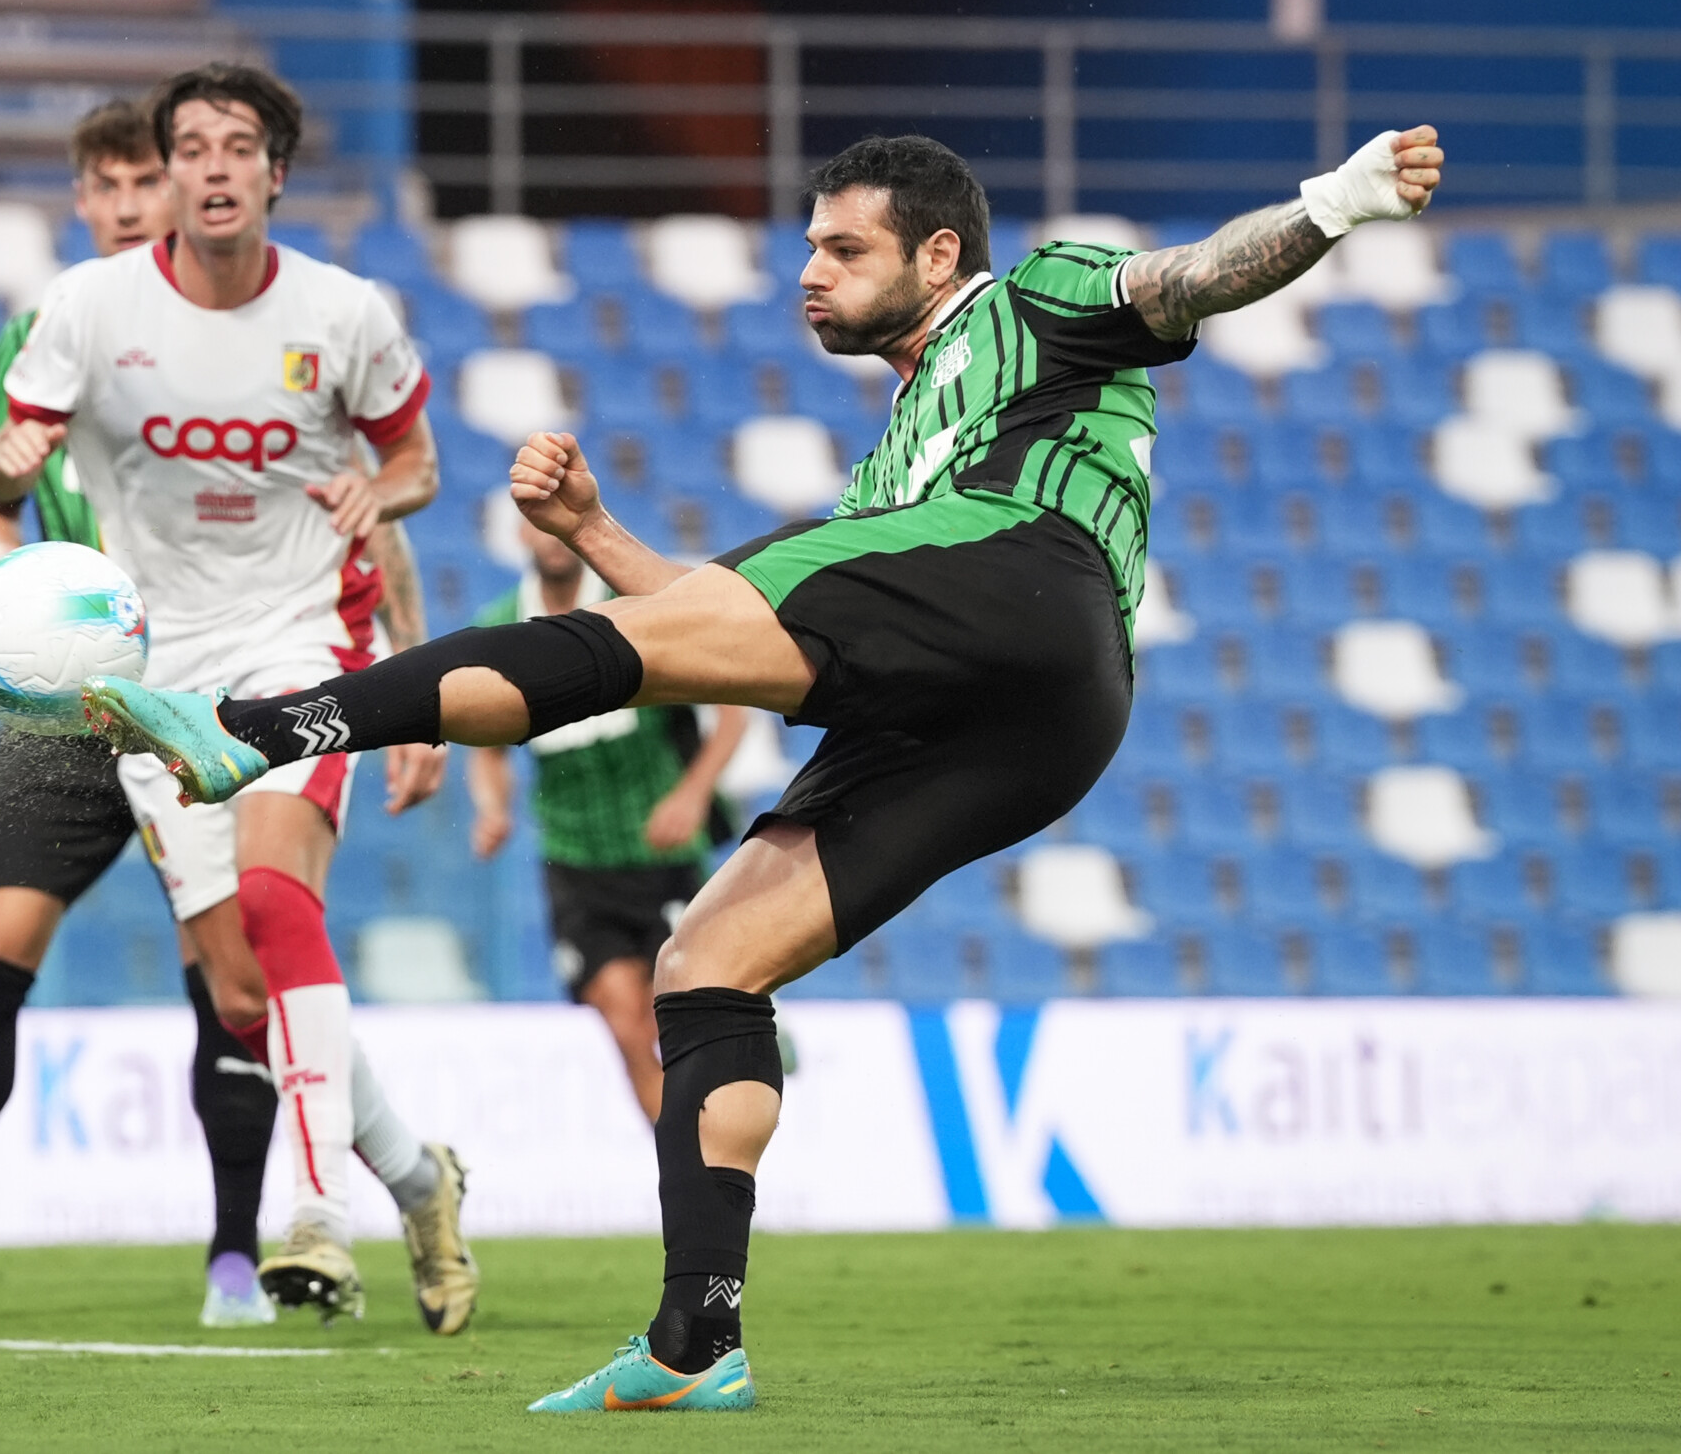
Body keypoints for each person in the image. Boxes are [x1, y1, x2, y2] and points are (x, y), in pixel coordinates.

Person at [84, 126, 1447, 1408]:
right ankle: (697, 1337)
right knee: (708, 961)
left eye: (842, 247)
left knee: (604, 643)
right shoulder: (895, 471)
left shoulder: (1030, 303)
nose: (808, 271)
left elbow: (1195, 274)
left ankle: (259, 729)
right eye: (806, 246)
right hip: (1043, 720)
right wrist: (600, 529)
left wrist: (1339, 200)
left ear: (934, 257)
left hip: (1028, 573)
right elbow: (713, 620)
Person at [0, 96, 476, 1334]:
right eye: (183, 156)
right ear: (123, 189)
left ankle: (302, 1225)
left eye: (234, 151)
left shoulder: (341, 314)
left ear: (277, 172)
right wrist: (17, 507)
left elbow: (416, 471)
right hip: (133, 680)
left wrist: (407, 662)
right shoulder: (76, 315)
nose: (199, 176)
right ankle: (414, 1175)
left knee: (281, 903)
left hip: (300, 645)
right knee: (236, 987)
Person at [467, 519, 745, 1122]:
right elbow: (483, 745)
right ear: (521, 533)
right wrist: (493, 807)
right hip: (575, 863)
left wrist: (693, 794)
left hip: (661, 857)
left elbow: (732, 705)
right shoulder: (503, 627)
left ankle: (746, 1050)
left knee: (677, 1019)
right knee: (624, 1023)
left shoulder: (634, 607)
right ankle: (686, 1174)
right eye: (535, 527)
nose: (549, 540)